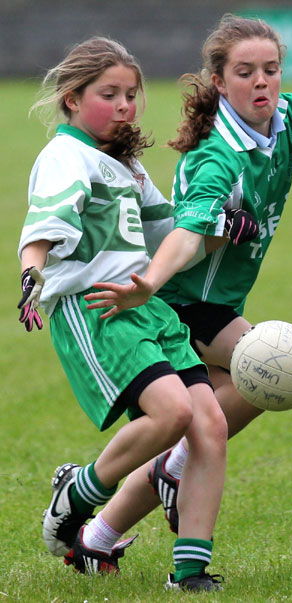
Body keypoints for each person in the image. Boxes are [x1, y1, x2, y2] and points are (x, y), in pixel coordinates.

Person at [49, 13, 292, 571]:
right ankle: (176, 505)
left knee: (236, 406)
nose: (261, 82)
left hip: (221, 306)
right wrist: (150, 282)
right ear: (220, 83)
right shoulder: (214, 154)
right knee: (274, 367)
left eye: (270, 70)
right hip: (178, 303)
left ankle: (100, 537)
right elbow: (187, 232)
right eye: (245, 72)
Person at [17, 36, 233, 592]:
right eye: (108, 94)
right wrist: (30, 272)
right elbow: (44, 225)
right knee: (170, 415)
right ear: (70, 98)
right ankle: (79, 492)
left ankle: (189, 572)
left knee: (208, 424)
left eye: (132, 95)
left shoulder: (126, 164)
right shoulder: (66, 156)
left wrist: (226, 225)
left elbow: (171, 235)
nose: (124, 106)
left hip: (146, 306)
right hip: (97, 309)